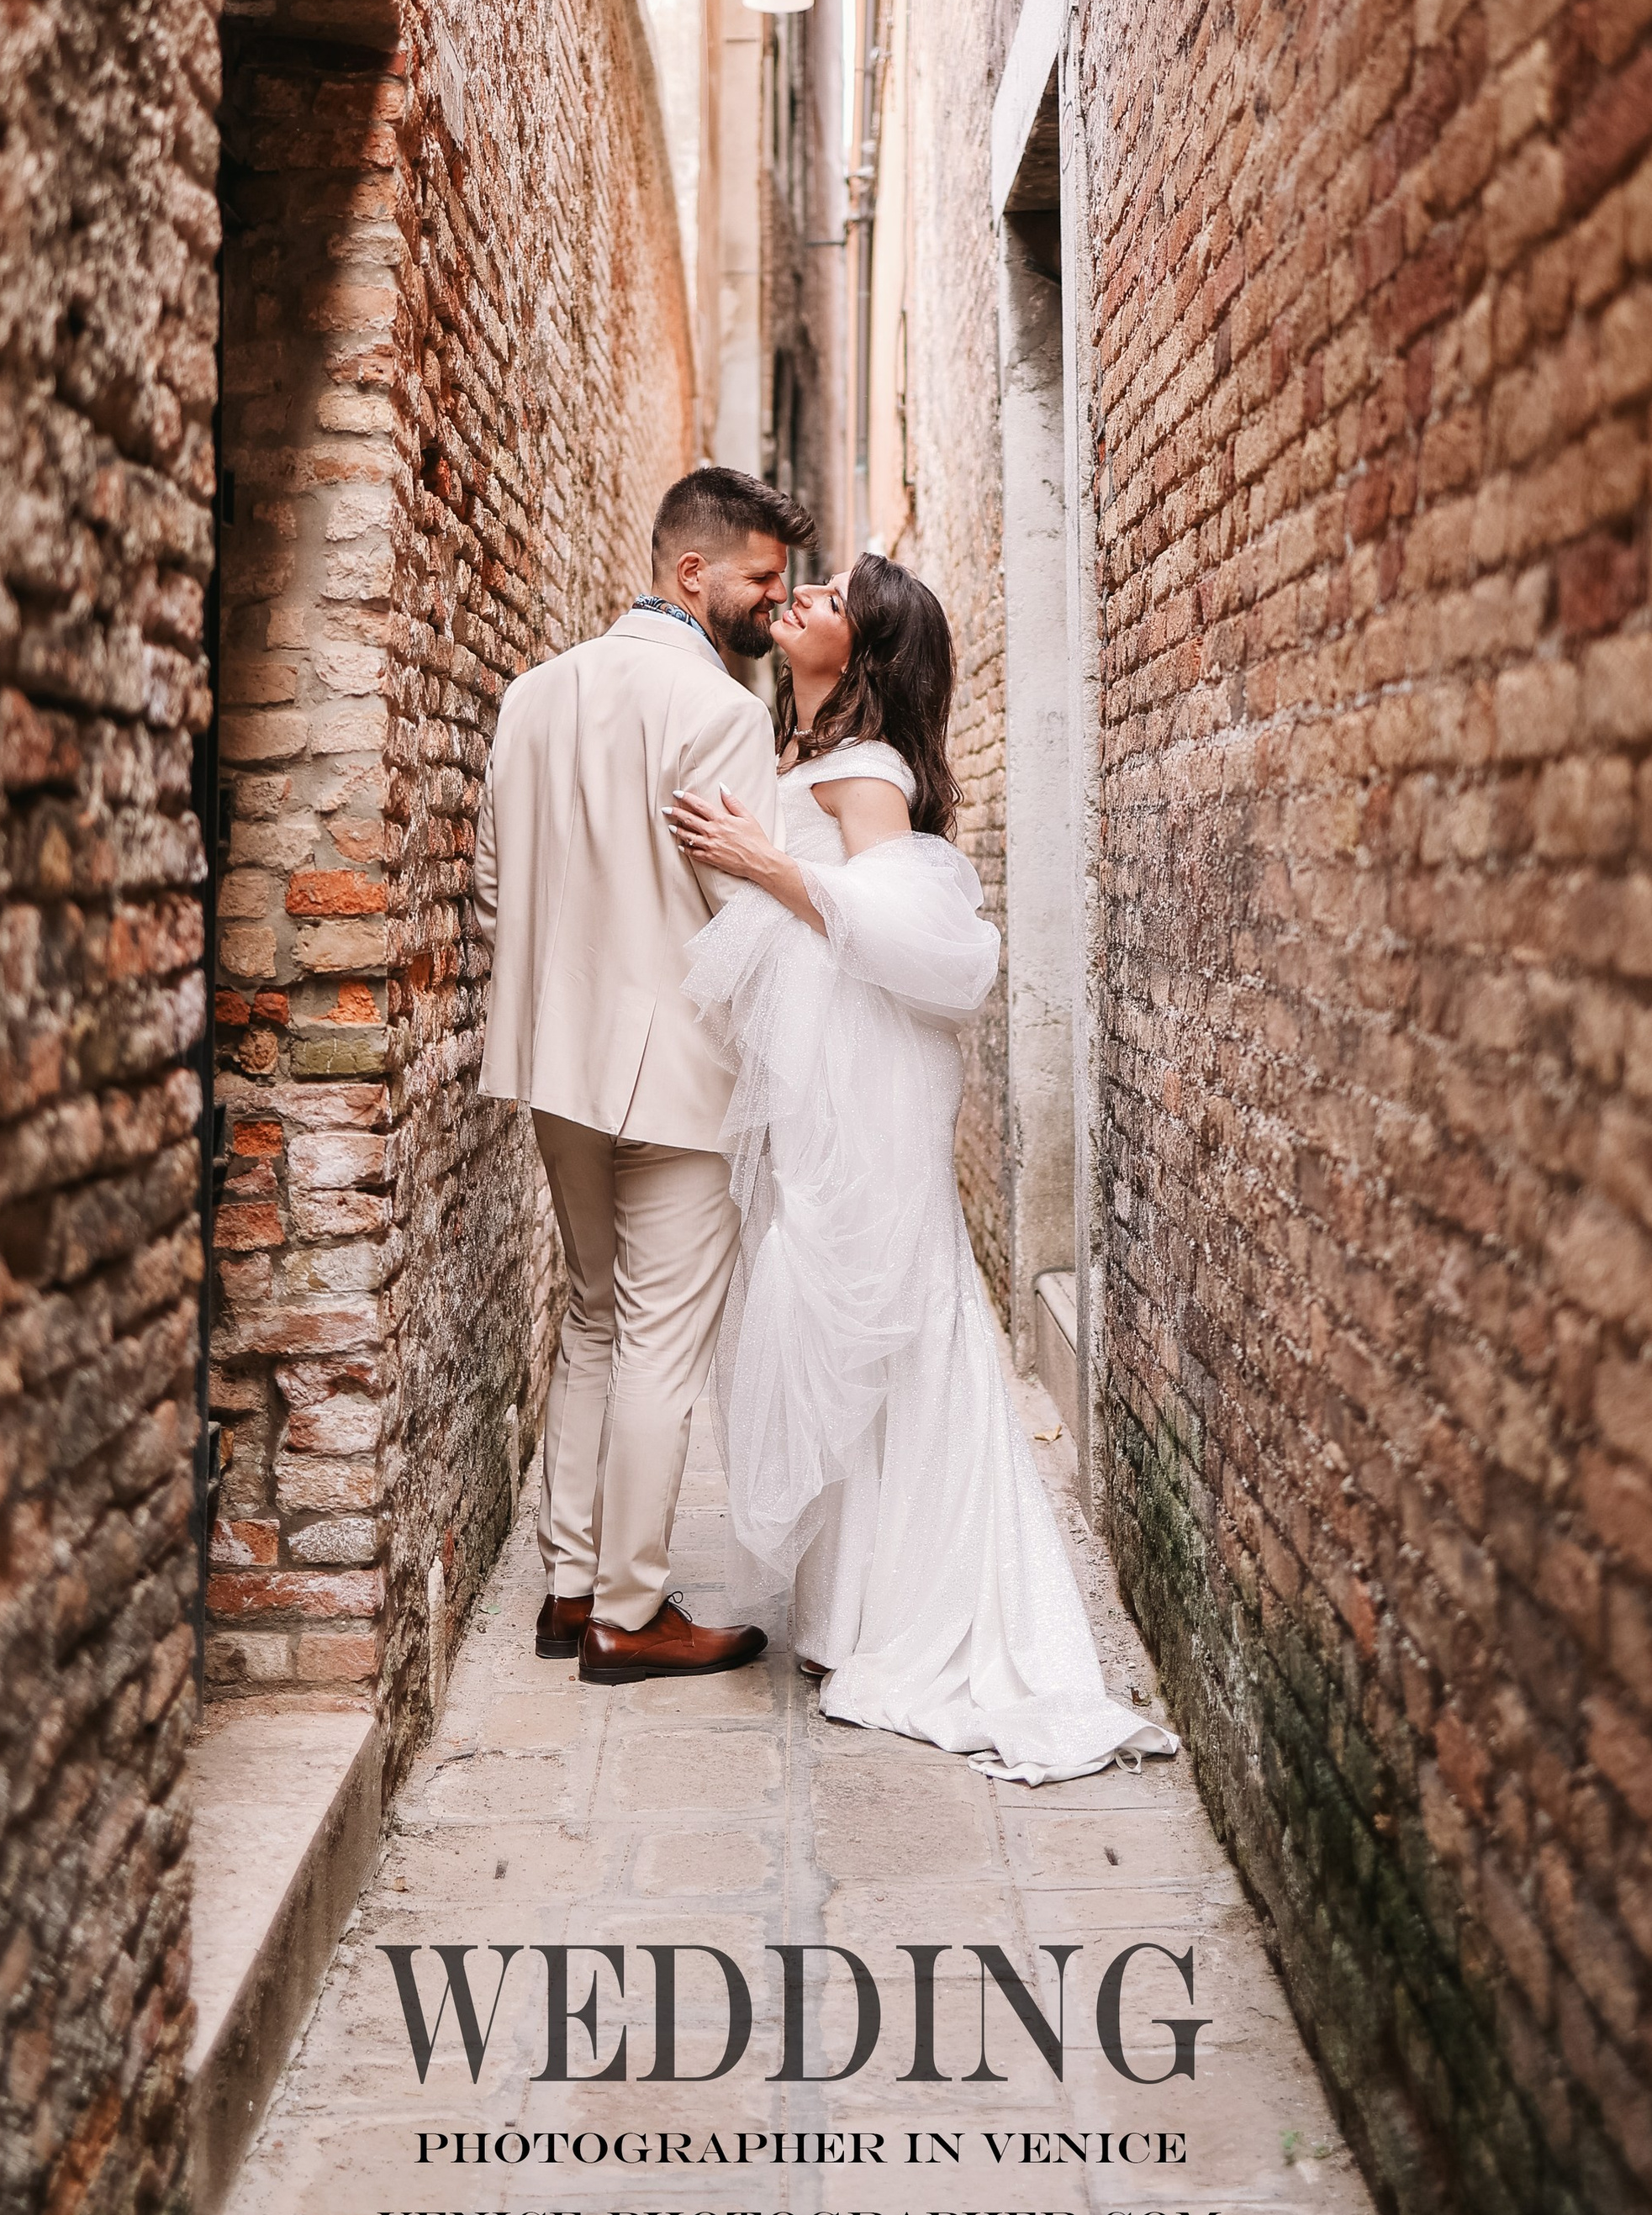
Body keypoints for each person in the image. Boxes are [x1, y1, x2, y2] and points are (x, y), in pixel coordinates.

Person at [664, 555, 1177, 1783]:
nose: (800, 602)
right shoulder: (814, 755)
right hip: (825, 1066)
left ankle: (908, 1613)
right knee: (842, 1303)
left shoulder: (866, 771)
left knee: (874, 1301)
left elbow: (920, 936)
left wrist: (766, 865)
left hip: (865, 1077)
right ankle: (855, 1609)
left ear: (869, 648)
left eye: (829, 597)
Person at [473, 463, 815, 1683]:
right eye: (760, 581)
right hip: (676, 1070)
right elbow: (744, 921)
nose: (772, 608)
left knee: (592, 1317)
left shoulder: (532, 697)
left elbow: (494, 884)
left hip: (553, 1063)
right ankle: (629, 1612)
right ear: (691, 571)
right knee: (661, 1339)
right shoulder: (719, 711)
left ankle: (570, 1588)